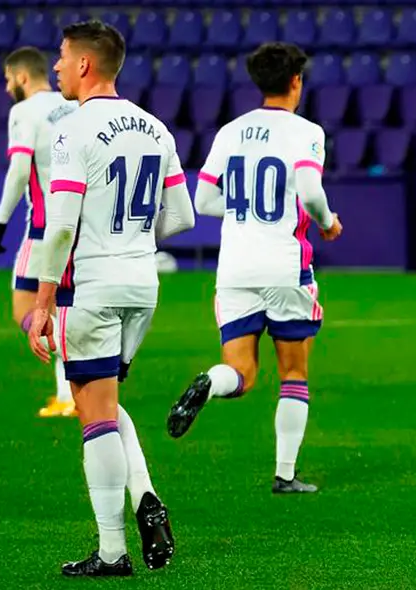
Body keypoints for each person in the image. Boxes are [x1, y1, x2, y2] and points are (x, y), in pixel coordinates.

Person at [27, 20, 195, 576]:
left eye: (61, 56)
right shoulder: (156, 128)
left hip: (94, 285)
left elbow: (59, 227)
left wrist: (43, 300)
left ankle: (112, 551)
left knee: (93, 413)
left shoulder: (71, 129)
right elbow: (181, 217)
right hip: (143, 286)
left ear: (84, 64)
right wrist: (135, 243)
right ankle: (146, 496)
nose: (56, 66)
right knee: (104, 400)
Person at [166, 42, 342, 494]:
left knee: (241, 374)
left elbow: (203, 200)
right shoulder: (307, 132)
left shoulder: (230, 131)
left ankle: (210, 382)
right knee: (293, 374)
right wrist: (327, 222)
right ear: (296, 81)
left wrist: (246, 211)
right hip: (284, 267)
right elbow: (310, 191)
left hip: (235, 269)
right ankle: (285, 474)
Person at [0, 47, 78, 417]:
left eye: (8, 79)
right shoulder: (74, 105)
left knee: (25, 309)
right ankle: (68, 394)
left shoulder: (24, 111)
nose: (7, 87)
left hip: (44, 227)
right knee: (62, 309)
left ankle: (74, 373)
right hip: (81, 226)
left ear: (22, 77)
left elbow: (19, 170)